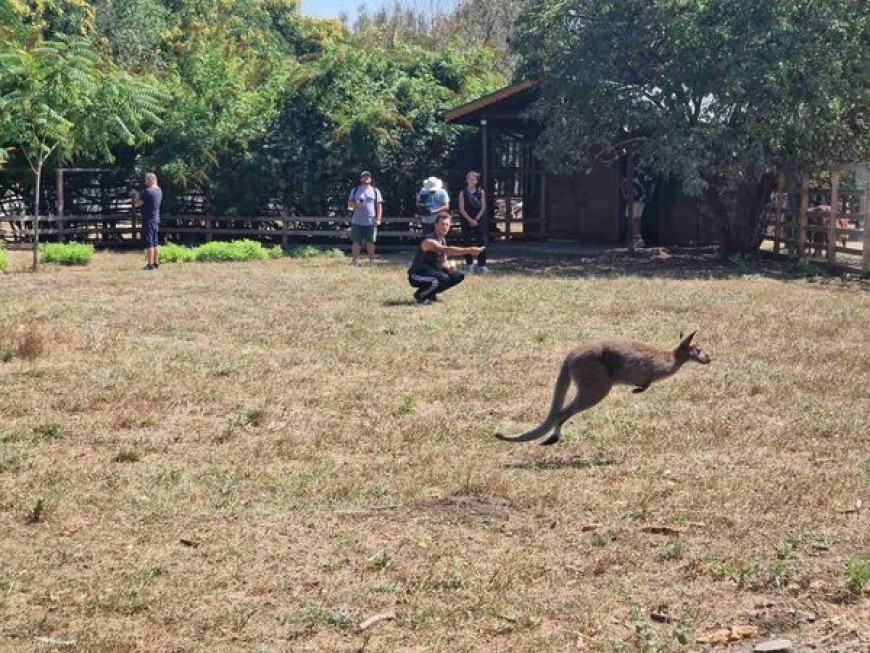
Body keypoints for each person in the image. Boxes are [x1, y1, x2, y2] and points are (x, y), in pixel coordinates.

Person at [408, 213, 484, 304]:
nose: (445, 227)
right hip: (417, 274)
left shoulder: (443, 240)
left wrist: (449, 268)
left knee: (458, 275)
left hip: (432, 272)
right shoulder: (429, 241)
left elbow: (443, 262)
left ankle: (430, 294)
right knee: (441, 278)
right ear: (436, 225)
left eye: (447, 225)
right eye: (442, 224)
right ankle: (421, 296)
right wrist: (469, 250)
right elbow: (447, 250)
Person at [347, 171, 383, 265]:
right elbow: (349, 205)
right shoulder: (355, 190)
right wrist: (356, 204)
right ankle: (355, 261)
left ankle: (372, 261)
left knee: (370, 242)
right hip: (357, 221)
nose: (366, 178)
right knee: (356, 242)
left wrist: (379, 218)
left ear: (370, 179)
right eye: (364, 177)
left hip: (371, 221)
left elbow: (378, 205)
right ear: (360, 179)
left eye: (368, 177)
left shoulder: (375, 191)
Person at [457, 170, 488, 273]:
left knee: (482, 241)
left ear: (477, 180)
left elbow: (483, 207)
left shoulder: (481, 192)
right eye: (469, 177)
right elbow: (461, 208)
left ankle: (482, 265)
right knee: (467, 241)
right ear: (466, 180)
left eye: (473, 178)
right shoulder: (462, 192)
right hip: (466, 219)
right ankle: (469, 264)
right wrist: (470, 220)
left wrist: (476, 219)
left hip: (479, 220)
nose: (471, 179)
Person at [135, 172, 162, 270]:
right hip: (156, 219)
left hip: (148, 220)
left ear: (151, 180)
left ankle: (150, 264)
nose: (145, 182)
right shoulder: (159, 191)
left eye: (146, 180)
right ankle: (156, 262)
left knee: (149, 242)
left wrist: (136, 196)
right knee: (155, 242)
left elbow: (137, 204)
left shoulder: (148, 192)